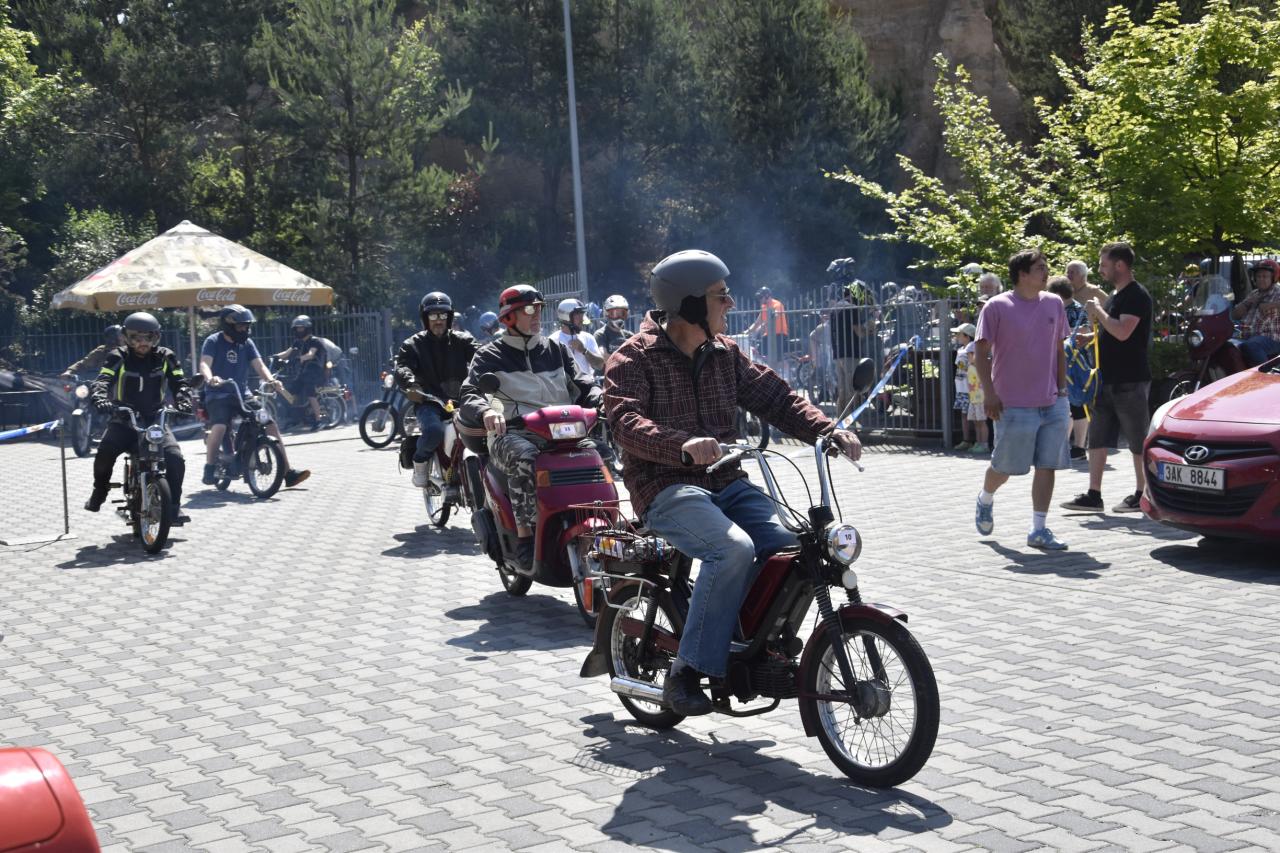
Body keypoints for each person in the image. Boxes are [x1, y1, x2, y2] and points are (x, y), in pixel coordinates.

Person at [605, 250, 862, 716]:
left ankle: (751, 641)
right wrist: (682, 445)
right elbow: (625, 423)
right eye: (720, 296)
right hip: (665, 485)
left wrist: (828, 430)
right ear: (689, 304)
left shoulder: (725, 354)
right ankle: (686, 672)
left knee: (793, 546)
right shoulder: (633, 359)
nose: (730, 303)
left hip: (726, 480)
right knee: (732, 549)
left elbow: (777, 398)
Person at [459, 285, 600, 569]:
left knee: (598, 455)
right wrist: (487, 411)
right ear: (508, 317)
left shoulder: (556, 350)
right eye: (528, 309)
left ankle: (597, 520)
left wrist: (602, 399)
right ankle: (525, 536)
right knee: (526, 458)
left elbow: (584, 384)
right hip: (513, 433)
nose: (536, 315)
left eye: (539, 308)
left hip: (561, 433)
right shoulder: (489, 355)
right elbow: (470, 392)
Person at [973, 249, 1071, 550]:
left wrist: (1062, 391)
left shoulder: (1054, 303)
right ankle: (985, 498)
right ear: (1022, 274)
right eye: (1040, 267)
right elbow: (980, 354)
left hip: (1052, 402)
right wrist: (990, 394)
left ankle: (1038, 529)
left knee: (1047, 465)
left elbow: (1059, 350)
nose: (1046, 272)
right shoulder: (996, 306)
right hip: (1012, 404)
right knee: (1005, 468)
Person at [1061, 242, 1153, 513]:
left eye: (1104, 264)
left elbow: (1123, 332)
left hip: (1130, 380)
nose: (1100, 269)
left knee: (1137, 441)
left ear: (1120, 265)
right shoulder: (1115, 295)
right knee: (1097, 438)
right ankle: (1094, 495)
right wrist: (1091, 337)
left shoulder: (1136, 295)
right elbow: (1113, 331)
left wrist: (1098, 312)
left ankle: (1142, 494)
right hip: (1105, 379)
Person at [86, 312, 193, 523]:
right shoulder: (118, 356)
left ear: (156, 337)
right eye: (136, 337)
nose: (143, 342)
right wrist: (100, 397)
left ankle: (174, 506)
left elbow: (180, 383)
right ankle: (100, 490)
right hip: (124, 419)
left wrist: (184, 401)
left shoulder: (166, 356)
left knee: (175, 458)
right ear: (126, 337)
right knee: (105, 453)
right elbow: (103, 379)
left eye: (148, 337)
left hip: (155, 420)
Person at [199, 304, 309, 488]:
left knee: (269, 423)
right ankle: (209, 467)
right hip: (218, 394)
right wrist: (210, 378)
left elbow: (260, 365)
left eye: (247, 326)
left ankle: (287, 472)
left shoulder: (247, 344)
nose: (245, 329)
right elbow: (204, 364)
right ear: (228, 325)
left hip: (242, 394)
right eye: (241, 326)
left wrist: (271, 380)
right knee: (220, 426)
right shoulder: (213, 341)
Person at [394, 291, 477, 494]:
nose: (438, 320)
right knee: (433, 432)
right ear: (425, 318)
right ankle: (420, 462)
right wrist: (411, 383)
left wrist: (493, 370)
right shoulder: (413, 344)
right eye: (433, 315)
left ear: (449, 317)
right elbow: (402, 367)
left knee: (487, 428)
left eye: (442, 315)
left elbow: (482, 355)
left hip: (461, 399)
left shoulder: (463, 340)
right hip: (429, 401)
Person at [1049, 276, 1090, 460]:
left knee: (1076, 404)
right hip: (1062, 362)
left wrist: (1063, 332)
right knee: (1067, 404)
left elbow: (1085, 331)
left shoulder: (1076, 309)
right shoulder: (1059, 308)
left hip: (1075, 364)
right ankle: (1063, 445)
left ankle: (1079, 447)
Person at [271, 315, 328, 428]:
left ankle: (318, 420)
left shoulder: (314, 341)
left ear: (307, 328)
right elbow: (287, 353)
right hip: (304, 372)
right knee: (291, 393)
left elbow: (311, 354)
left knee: (310, 394)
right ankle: (295, 417)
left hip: (315, 372)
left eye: (301, 328)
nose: (299, 330)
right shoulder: (298, 341)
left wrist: (299, 358)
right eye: (297, 328)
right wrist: (275, 357)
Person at [830, 281, 871, 417]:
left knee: (842, 390)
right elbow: (858, 331)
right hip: (851, 353)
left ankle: (840, 418)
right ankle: (850, 420)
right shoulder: (852, 308)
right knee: (852, 389)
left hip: (838, 354)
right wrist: (869, 330)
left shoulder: (834, 309)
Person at [1231, 257, 1280, 366]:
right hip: (1248, 337)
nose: (1261, 279)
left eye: (1265, 276)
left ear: (1273, 278)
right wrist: (1247, 303)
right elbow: (1235, 315)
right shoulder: (1254, 294)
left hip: (1273, 338)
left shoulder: (1277, 292)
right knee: (1227, 347)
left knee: (1252, 346)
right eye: (1258, 276)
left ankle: (1264, 374)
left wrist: (1272, 305)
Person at [552, 298, 605, 378]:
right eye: (577, 314)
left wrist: (584, 350)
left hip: (588, 384)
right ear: (566, 316)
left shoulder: (588, 337)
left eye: (582, 314)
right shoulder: (552, 341)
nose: (582, 319)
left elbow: (600, 365)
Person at [746, 286, 788, 368]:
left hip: (779, 335)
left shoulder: (777, 304)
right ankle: (771, 369)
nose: (759, 299)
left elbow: (775, 316)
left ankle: (786, 374)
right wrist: (746, 332)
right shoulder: (764, 307)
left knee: (778, 360)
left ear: (767, 296)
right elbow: (757, 323)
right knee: (757, 353)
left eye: (761, 297)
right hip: (768, 336)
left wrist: (763, 325)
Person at [951, 323, 976, 451]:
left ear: (967, 336)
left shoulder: (972, 347)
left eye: (959, 334)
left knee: (973, 416)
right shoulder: (961, 349)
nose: (956, 336)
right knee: (964, 414)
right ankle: (966, 440)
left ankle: (975, 440)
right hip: (961, 387)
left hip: (970, 388)